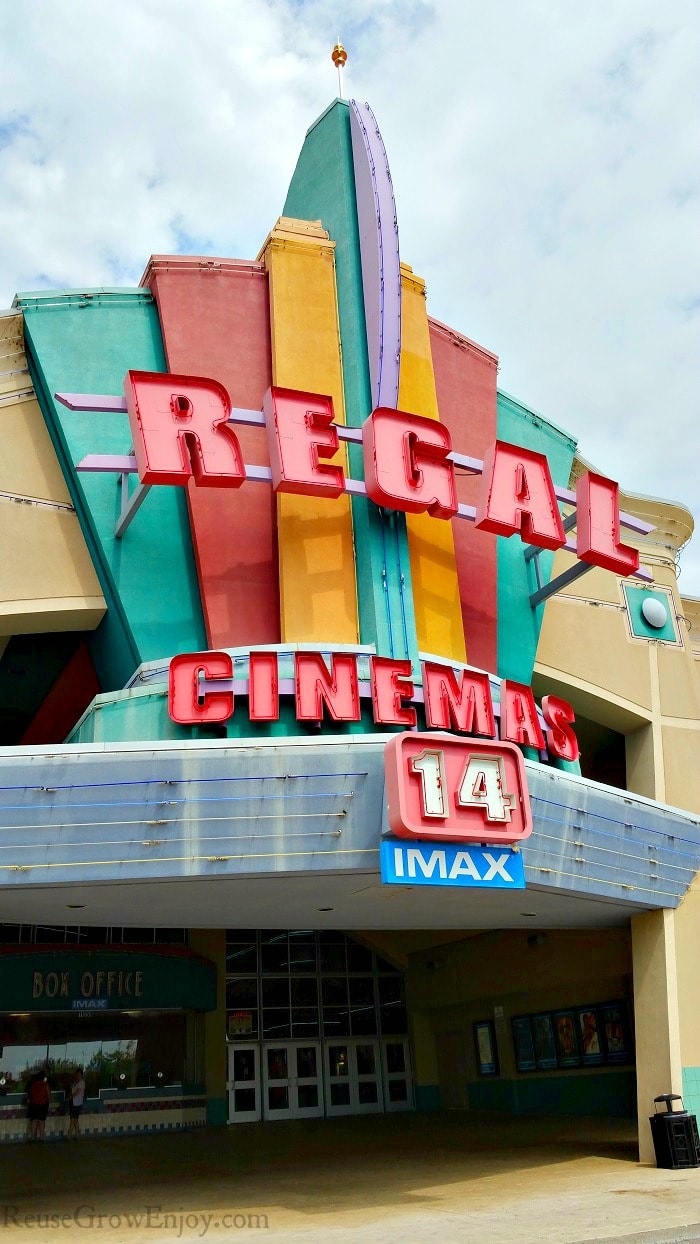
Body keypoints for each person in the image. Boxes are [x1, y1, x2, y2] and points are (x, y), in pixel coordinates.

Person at [27, 1071, 50, 1141]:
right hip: (43, 1105)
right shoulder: (45, 1084)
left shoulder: (33, 1084)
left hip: (33, 1105)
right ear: (43, 1078)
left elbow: (30, 1095)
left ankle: (33, 1137)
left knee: (34, 1121)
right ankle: (41, 1136)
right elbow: (48, 1095)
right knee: (41, 1121)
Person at [68, 1067, 86, 1140]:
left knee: (73, 1118)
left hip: (77, 1103)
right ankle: (77, 1133)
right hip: (73, 1102)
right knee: (74, 1118)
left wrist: (70, 1097)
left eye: (79, 1075)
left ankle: (70, 1134)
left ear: (81, 1075)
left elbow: (77, 1093)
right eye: (76, 1075)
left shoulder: (81, 1083)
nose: (77, 1076)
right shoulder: (76, 1083)